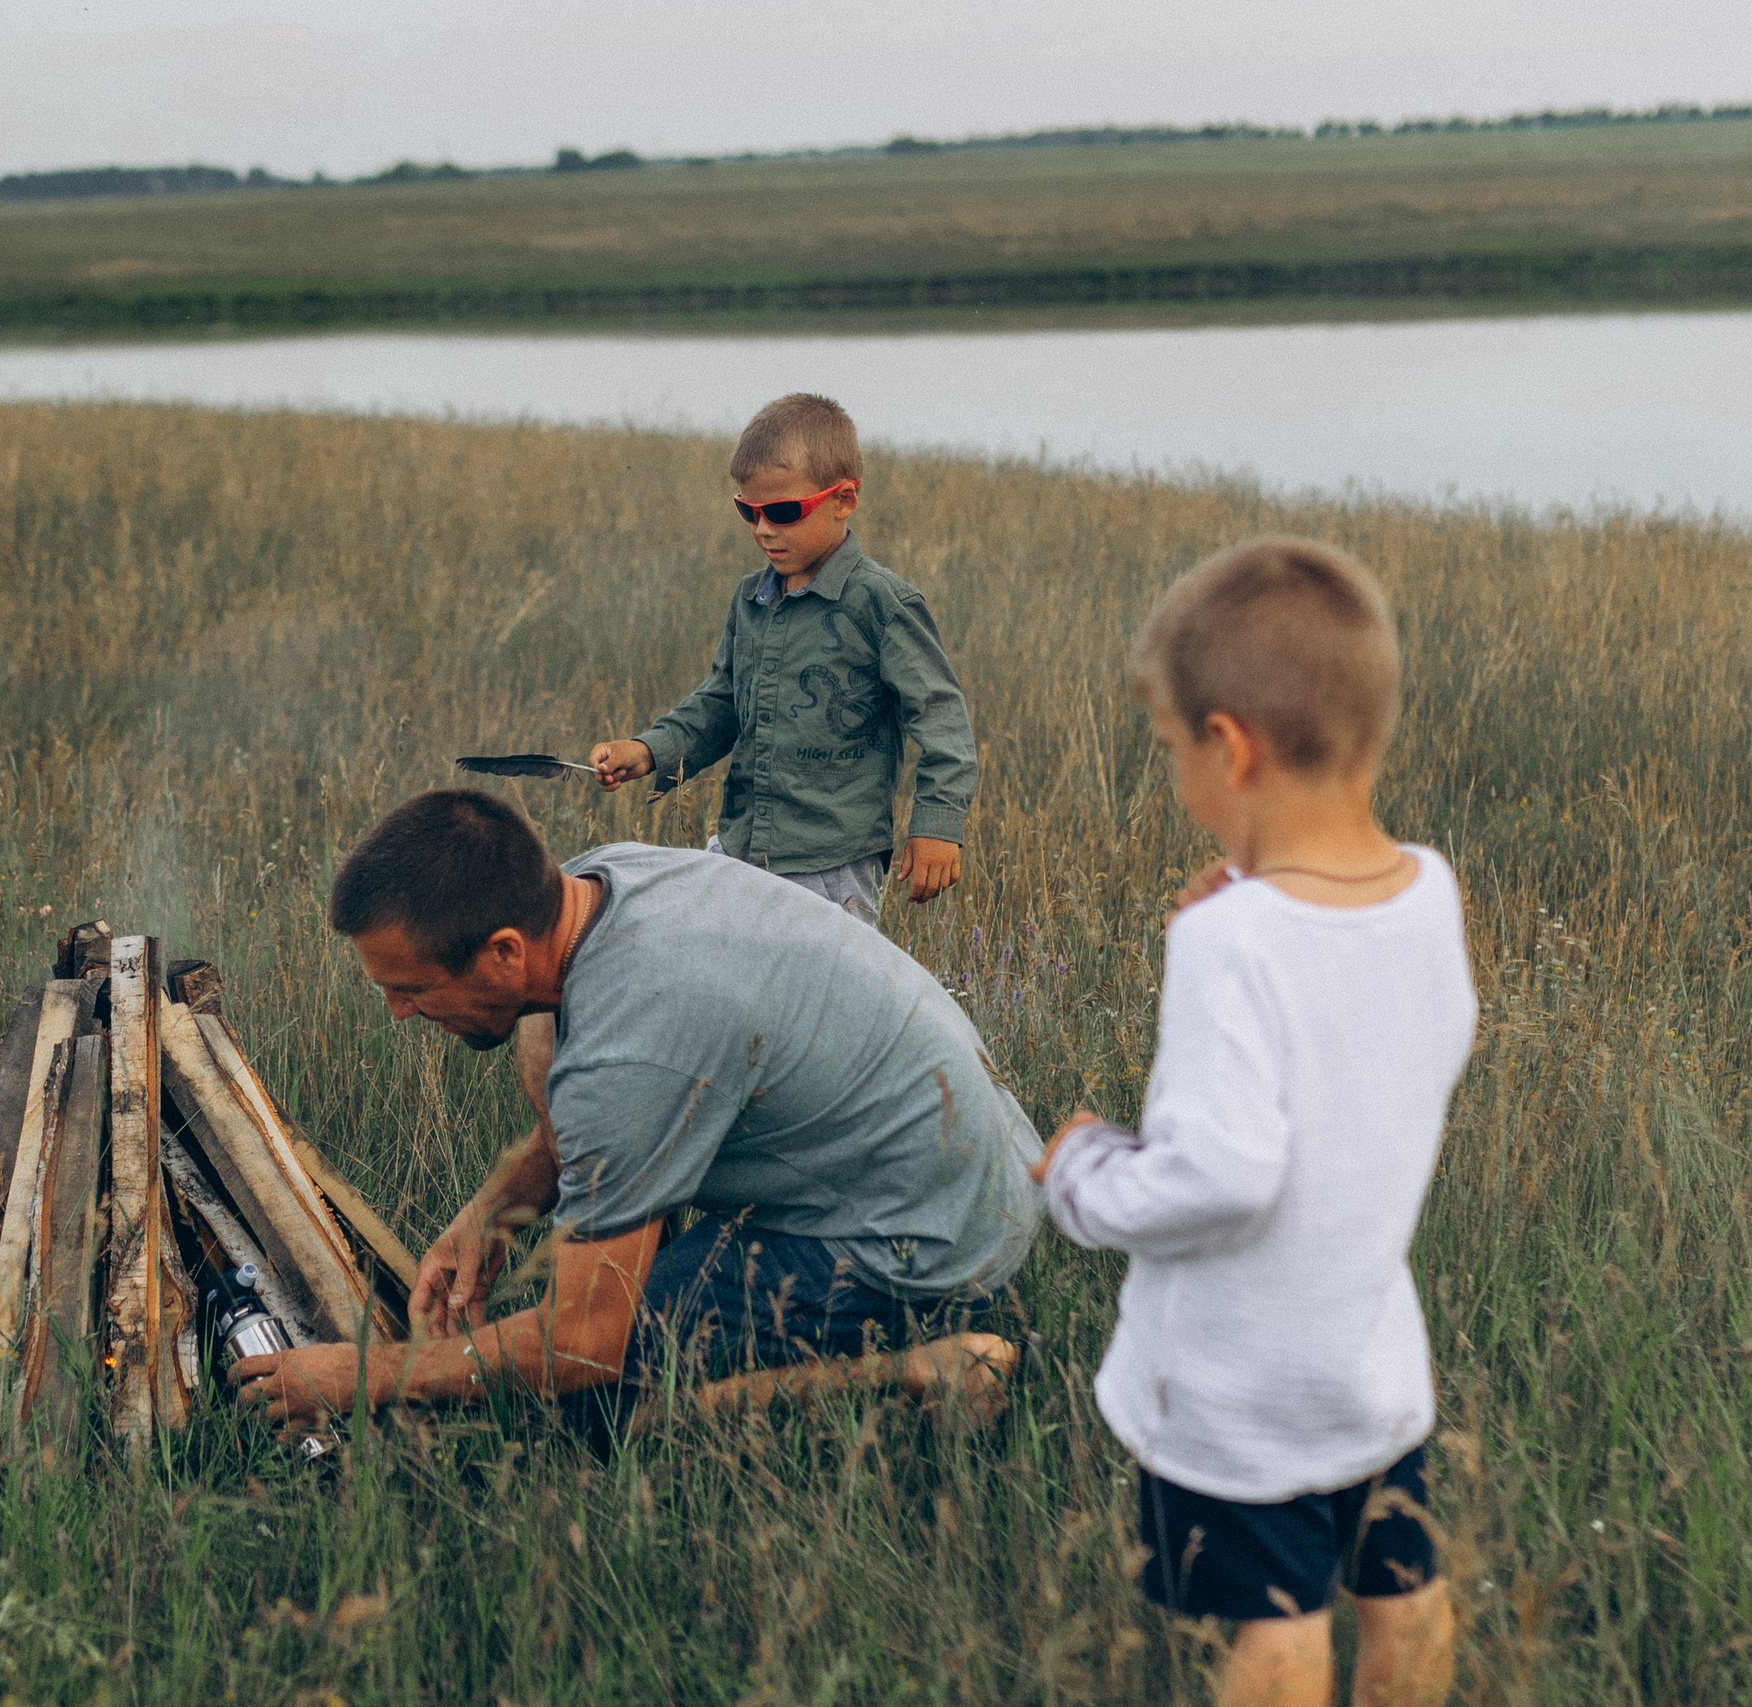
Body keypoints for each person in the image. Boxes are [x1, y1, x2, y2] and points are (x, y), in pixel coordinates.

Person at [234, 790, 1041, 1438]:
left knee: (592, 1408)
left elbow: (585, 1343)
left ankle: (925, 1365)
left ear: (505, 950)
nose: (398, 1013)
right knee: (544, 1043)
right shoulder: (596, 886)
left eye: (409, 988)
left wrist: (361, 1376)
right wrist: (496, 1215)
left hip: (930, 1236)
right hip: (951, 1164)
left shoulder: (631, 1050)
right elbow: (571, 1077)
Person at [1032, 537, 1474, 1707]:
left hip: (1242, 1393)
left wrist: (1083, 1173)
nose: (1177, 776)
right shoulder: (1430, 890)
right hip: (1371, 1364)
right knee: (1402, 1596)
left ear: (1229, 746)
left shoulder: (1226, 945)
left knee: (1276, 1638)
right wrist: (1250, 894)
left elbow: (1222, 1174)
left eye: (1174, 751)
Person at [587, 393, 977, 924]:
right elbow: (719, 705)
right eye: (748, 511)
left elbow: (943, 724)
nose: (763, 529)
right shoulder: (751, 599)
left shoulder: (882, 605)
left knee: (820, 1002)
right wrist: (649, 750)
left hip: (833, 867)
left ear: (844, 500)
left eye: (784, 512)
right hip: (740, 851)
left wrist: (936, 825)